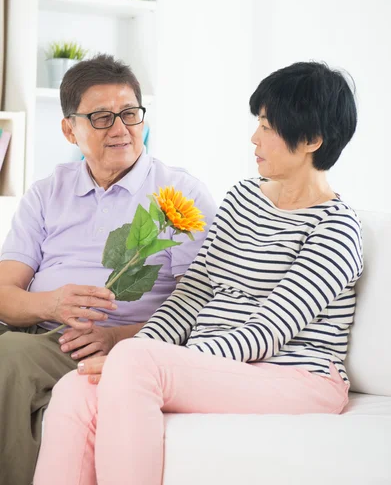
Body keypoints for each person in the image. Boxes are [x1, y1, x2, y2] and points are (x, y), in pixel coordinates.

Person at [34, 61, 363, 485]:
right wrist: (145, 352)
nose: (254, 137)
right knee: (75, 389)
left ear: (312, 140)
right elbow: (194, 292)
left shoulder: (335, 229)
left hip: (298, 376)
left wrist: (151, 359)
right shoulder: (244, 197)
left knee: (132, 361)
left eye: (267, 125)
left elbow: (267, 331)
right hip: (223, 365)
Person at [0, 54, 216, 485]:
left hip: (105, 344)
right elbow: (5, 290)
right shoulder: (47, 192)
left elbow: (202, 305)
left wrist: (116, 336)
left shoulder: (180, 194)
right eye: (101, 118)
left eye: (130, 114)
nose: (120, 129)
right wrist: (53, 303)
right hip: (34, 327)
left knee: (10, 358)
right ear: (69, 129)